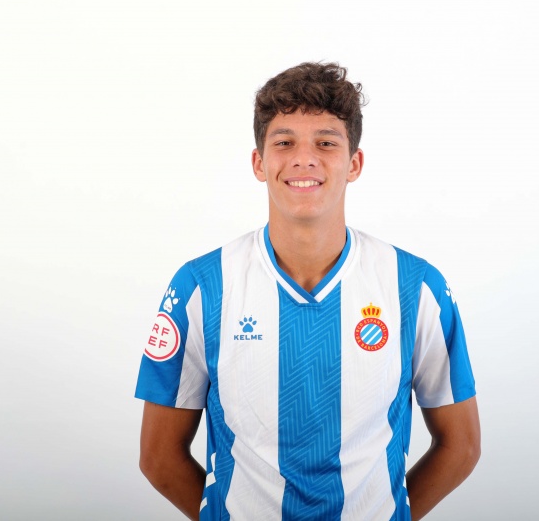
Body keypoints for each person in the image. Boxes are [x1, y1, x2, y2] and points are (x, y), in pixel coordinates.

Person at [135, 62, 480, 520]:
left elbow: (462, 445)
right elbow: (158, 457)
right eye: (284, 142)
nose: (304, 159)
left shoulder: (415, 287)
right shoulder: (202, 286)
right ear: (259, 163)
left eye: (326, 142)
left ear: (354, 163)